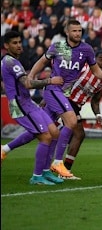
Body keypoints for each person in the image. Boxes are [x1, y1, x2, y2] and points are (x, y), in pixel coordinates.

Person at [28, 20, 102, 180]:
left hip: (63, 93)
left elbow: (95, 70)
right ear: (67, 32)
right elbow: (42, 61)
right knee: (71, 122)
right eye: (74, 31)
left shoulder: (86, 49)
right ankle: (58, 162)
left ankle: (39, 170)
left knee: (47, 132)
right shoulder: (57, 47)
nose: (77, 34)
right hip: (54, 90)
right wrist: (31, 76)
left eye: (80, 31)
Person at [1, 31, 65, 185]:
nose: (18, 45)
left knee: (54, 132)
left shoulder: (13, 61)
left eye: (19, 42)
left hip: (27, 102)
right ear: (6, 46)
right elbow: (28, 84)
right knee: (45, 136)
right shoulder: (10, 62)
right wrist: (50, 81)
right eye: (14, 43)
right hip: (19, 105)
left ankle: (46, 172)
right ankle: (37, 177)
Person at [62, 50, 102, 176]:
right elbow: (66, 80)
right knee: (79, 134)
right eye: (101, 59)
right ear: (95, 59)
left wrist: (98, 115)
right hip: (66, 100)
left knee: (65, 135)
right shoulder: (84, 67)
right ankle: (64, 170)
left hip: (76, 106)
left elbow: (95, 100)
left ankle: (60, 168)